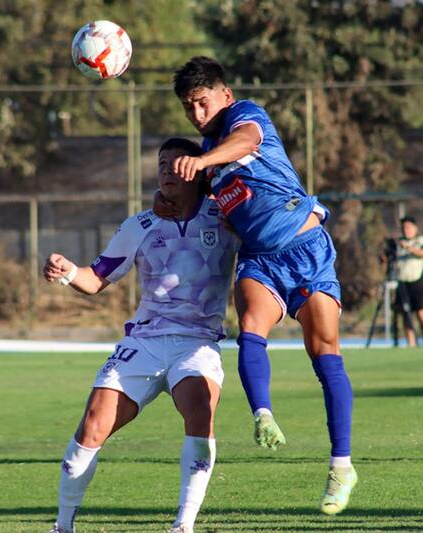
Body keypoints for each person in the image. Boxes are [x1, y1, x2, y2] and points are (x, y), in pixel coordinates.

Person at [155, 56, 357, 516]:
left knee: (324, 353)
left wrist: (204, 160)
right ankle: (263, 415)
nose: (198, 115)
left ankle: (341, 466)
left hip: (306, 248)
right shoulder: (207, 158)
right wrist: (163, 198)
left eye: (202, 103)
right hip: (260, 261)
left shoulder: (247, 115)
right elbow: (181, 190)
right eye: (189, 107)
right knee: (250, 326)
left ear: (224, 95)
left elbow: (245, 141)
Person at [43, 138, 239, 533]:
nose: (167, 170)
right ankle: (63, 527)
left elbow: (266, 218)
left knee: (200, 408)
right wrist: (67, 271)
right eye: (161, 164)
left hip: (197, 342)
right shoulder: (140, 225)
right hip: (145, 343)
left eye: (176, 163)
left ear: (198, 169)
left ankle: (183, 525)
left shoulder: (225, 217)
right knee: (93, 423)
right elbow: (96, 278)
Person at [393, 216, 423, 348]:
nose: (406, 230)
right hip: (403, 282)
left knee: (421, 311)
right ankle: (411, 343)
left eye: (409, 227)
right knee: (406, 313)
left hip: (419, 282)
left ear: (415, 228)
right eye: (404, 228)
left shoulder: (422, 241)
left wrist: (409, 248)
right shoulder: (398, 243)